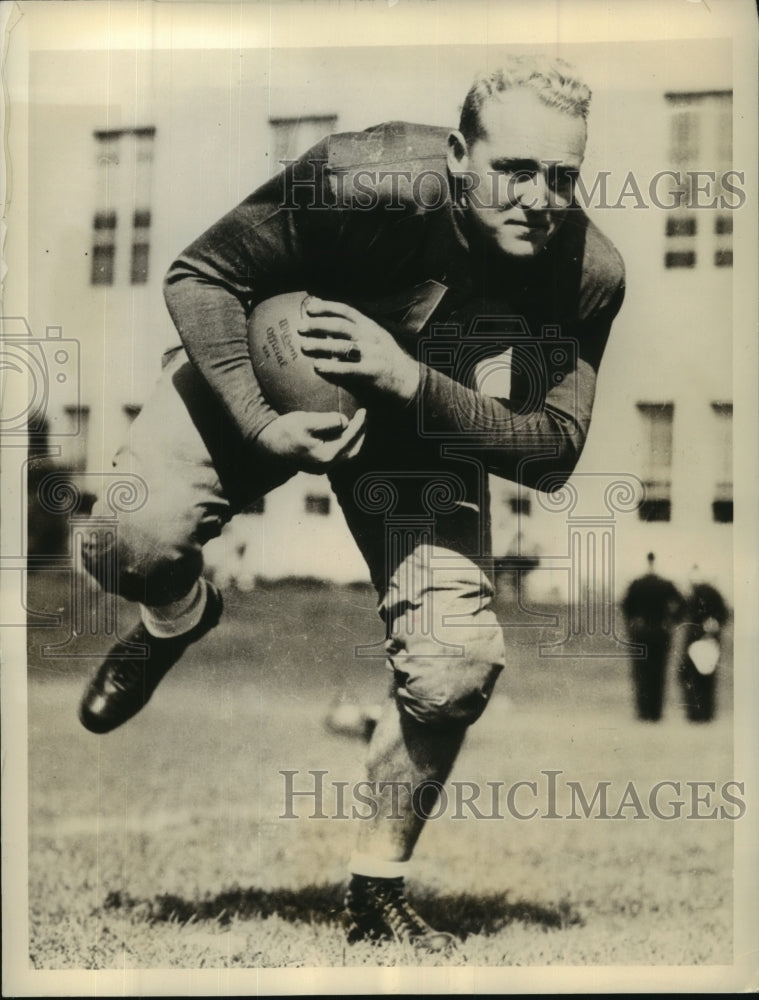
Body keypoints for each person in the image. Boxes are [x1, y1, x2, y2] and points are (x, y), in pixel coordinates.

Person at [77, 54, 625, 953]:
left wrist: (408, 382)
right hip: (271, 374)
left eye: (562, 176)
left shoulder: (585, 270)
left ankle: (375, 890)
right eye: (514, 169)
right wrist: (260, 425)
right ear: (458, 155)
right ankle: (176, 617)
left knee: (453, 665)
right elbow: (200, 274)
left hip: (419, 433)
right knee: (126, 540)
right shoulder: (361, 176)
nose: (539, 198)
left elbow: (554, 451)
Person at [621, 552, 684, 721]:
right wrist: (672, 621)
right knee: (659, 673)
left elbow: (626, 607)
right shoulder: (665, 584)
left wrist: (632, 625)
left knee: (641, 673)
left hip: (641, 634)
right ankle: (656, 713)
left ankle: (643, 712)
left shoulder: (637, 584)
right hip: (661, 633)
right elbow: (682, 604)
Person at [676, 566, 728, 722]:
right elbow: (724, 615)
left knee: (690, 675)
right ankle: (707, 713)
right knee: (707, 677)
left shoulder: (694, 594)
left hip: (694, 640)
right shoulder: (715, 594)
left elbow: (680, 614)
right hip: (712, 640)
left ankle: (695, 713)